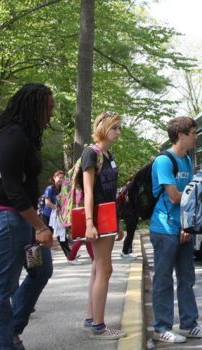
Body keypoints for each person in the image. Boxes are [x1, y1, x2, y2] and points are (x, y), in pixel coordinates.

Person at [0, 83, 55, 350]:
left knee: (41, 270)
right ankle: (5, 342)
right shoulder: (12, 135)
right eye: (48, 109)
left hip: (25, 222)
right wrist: (40, 226)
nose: (50, 115)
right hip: (9, 222)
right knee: (1, 289)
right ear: (33, 107)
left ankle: (12, 330)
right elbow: (11, 188)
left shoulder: (26, 137)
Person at [150, 116, 202, 343]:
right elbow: (174, 197)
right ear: (181, 135)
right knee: (163, 279)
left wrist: (188, 226)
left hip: (183, 228)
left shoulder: (188, 161)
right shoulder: (164, 161)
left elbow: (188, 199)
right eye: (193, 133)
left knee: (186, 278)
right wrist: (199, 194)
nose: (196, 138)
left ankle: (188, 324)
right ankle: (161, 327)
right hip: (163, 229)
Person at [82, 111, 126, 339]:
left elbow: (112, 193)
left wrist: (117, 221)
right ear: (102, 127)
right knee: (104, 269)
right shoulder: (91, 153)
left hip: (108, 218)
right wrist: (90, 223)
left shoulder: (108, 155)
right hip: (97, 219)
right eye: (114, 128)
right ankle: (98, 326)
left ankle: (91, 318)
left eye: (119, 128)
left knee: (97, 268)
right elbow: (89, 192)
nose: (118, 132)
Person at [41, 170, 70, 258]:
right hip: (47, 216)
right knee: (47, 238)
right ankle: (44, 257)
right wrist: (55, 207)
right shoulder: (50, 189)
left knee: (62, 236)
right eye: (59, 177)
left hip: (57, 217)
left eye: (62, 178)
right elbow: (47, 202)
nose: (61, 179)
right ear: (54, 178)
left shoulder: (61, 189)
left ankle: (70, 256)